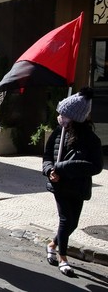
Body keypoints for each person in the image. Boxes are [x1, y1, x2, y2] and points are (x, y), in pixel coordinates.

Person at [43, 87, 103, 276]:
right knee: (65, 219)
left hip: (78, 186)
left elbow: (96, 166)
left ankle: (52, 244)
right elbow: (47, 157)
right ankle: (63, 257)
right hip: (59, 185)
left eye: (65, 115)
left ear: (76, 118)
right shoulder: (58, 133)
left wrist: (63, 167)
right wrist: (49, 171)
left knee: (73, 223)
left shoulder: (91, 139)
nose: (61, 118)